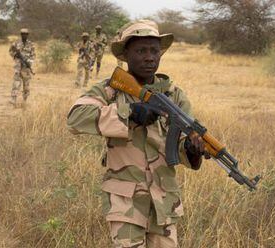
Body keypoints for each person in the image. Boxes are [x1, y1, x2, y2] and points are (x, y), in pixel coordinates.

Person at [67, 20, 206, 248]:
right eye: (141, 51)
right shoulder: (111, 90)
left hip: (165, 201)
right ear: (125, 55)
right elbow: (75, 117)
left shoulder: (175, 95)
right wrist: (129, 113)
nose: (150, 57)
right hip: (126, 201)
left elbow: (181, 146)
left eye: (154, 50)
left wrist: (191, 149)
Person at [9, 28, 35, 106]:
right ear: (21, 34)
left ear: (27, 35)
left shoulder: (31, 44)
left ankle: (25, 100)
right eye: (22, 34)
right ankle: (13, 99)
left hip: (26, 68)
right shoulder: (16, 43)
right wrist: (15, 55)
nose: (24, 35)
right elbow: (10, 51)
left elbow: (33, 55)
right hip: (18, 67)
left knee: (26, 85)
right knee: (16, 83)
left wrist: (28, 62)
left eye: (26, 34)